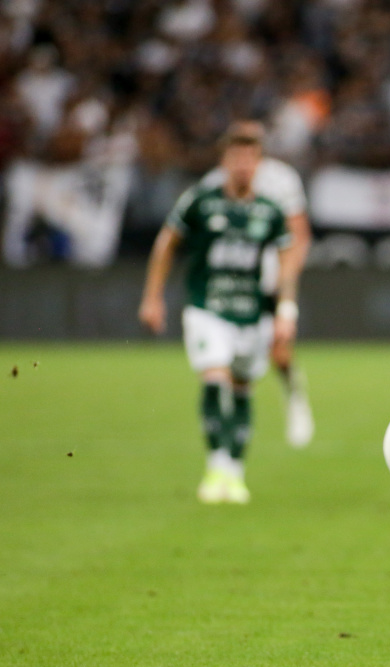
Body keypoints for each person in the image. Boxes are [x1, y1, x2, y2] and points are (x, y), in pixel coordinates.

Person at [138, 122, 297, 504]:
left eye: (251, 157)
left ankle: (236, 473)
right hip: (207, 308)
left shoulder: (270, 211)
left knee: (242, 388)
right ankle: (216, 466)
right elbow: (166, 243)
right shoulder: (200, 201)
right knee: (214, 378)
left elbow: (286, 257)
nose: (243, 164)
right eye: (236, 156)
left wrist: (285, 310)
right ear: (225, 160)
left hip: (252, 313)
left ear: (259, 163)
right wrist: (152, 297)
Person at [200, 120, 315, 448]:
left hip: (270, 278)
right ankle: (224, 431)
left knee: (279, 354)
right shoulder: (212, 184)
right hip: (228, 284)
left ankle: (294, 394)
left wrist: (287, 283)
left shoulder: (281, 179)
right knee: (225, 362)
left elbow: (298, 234)